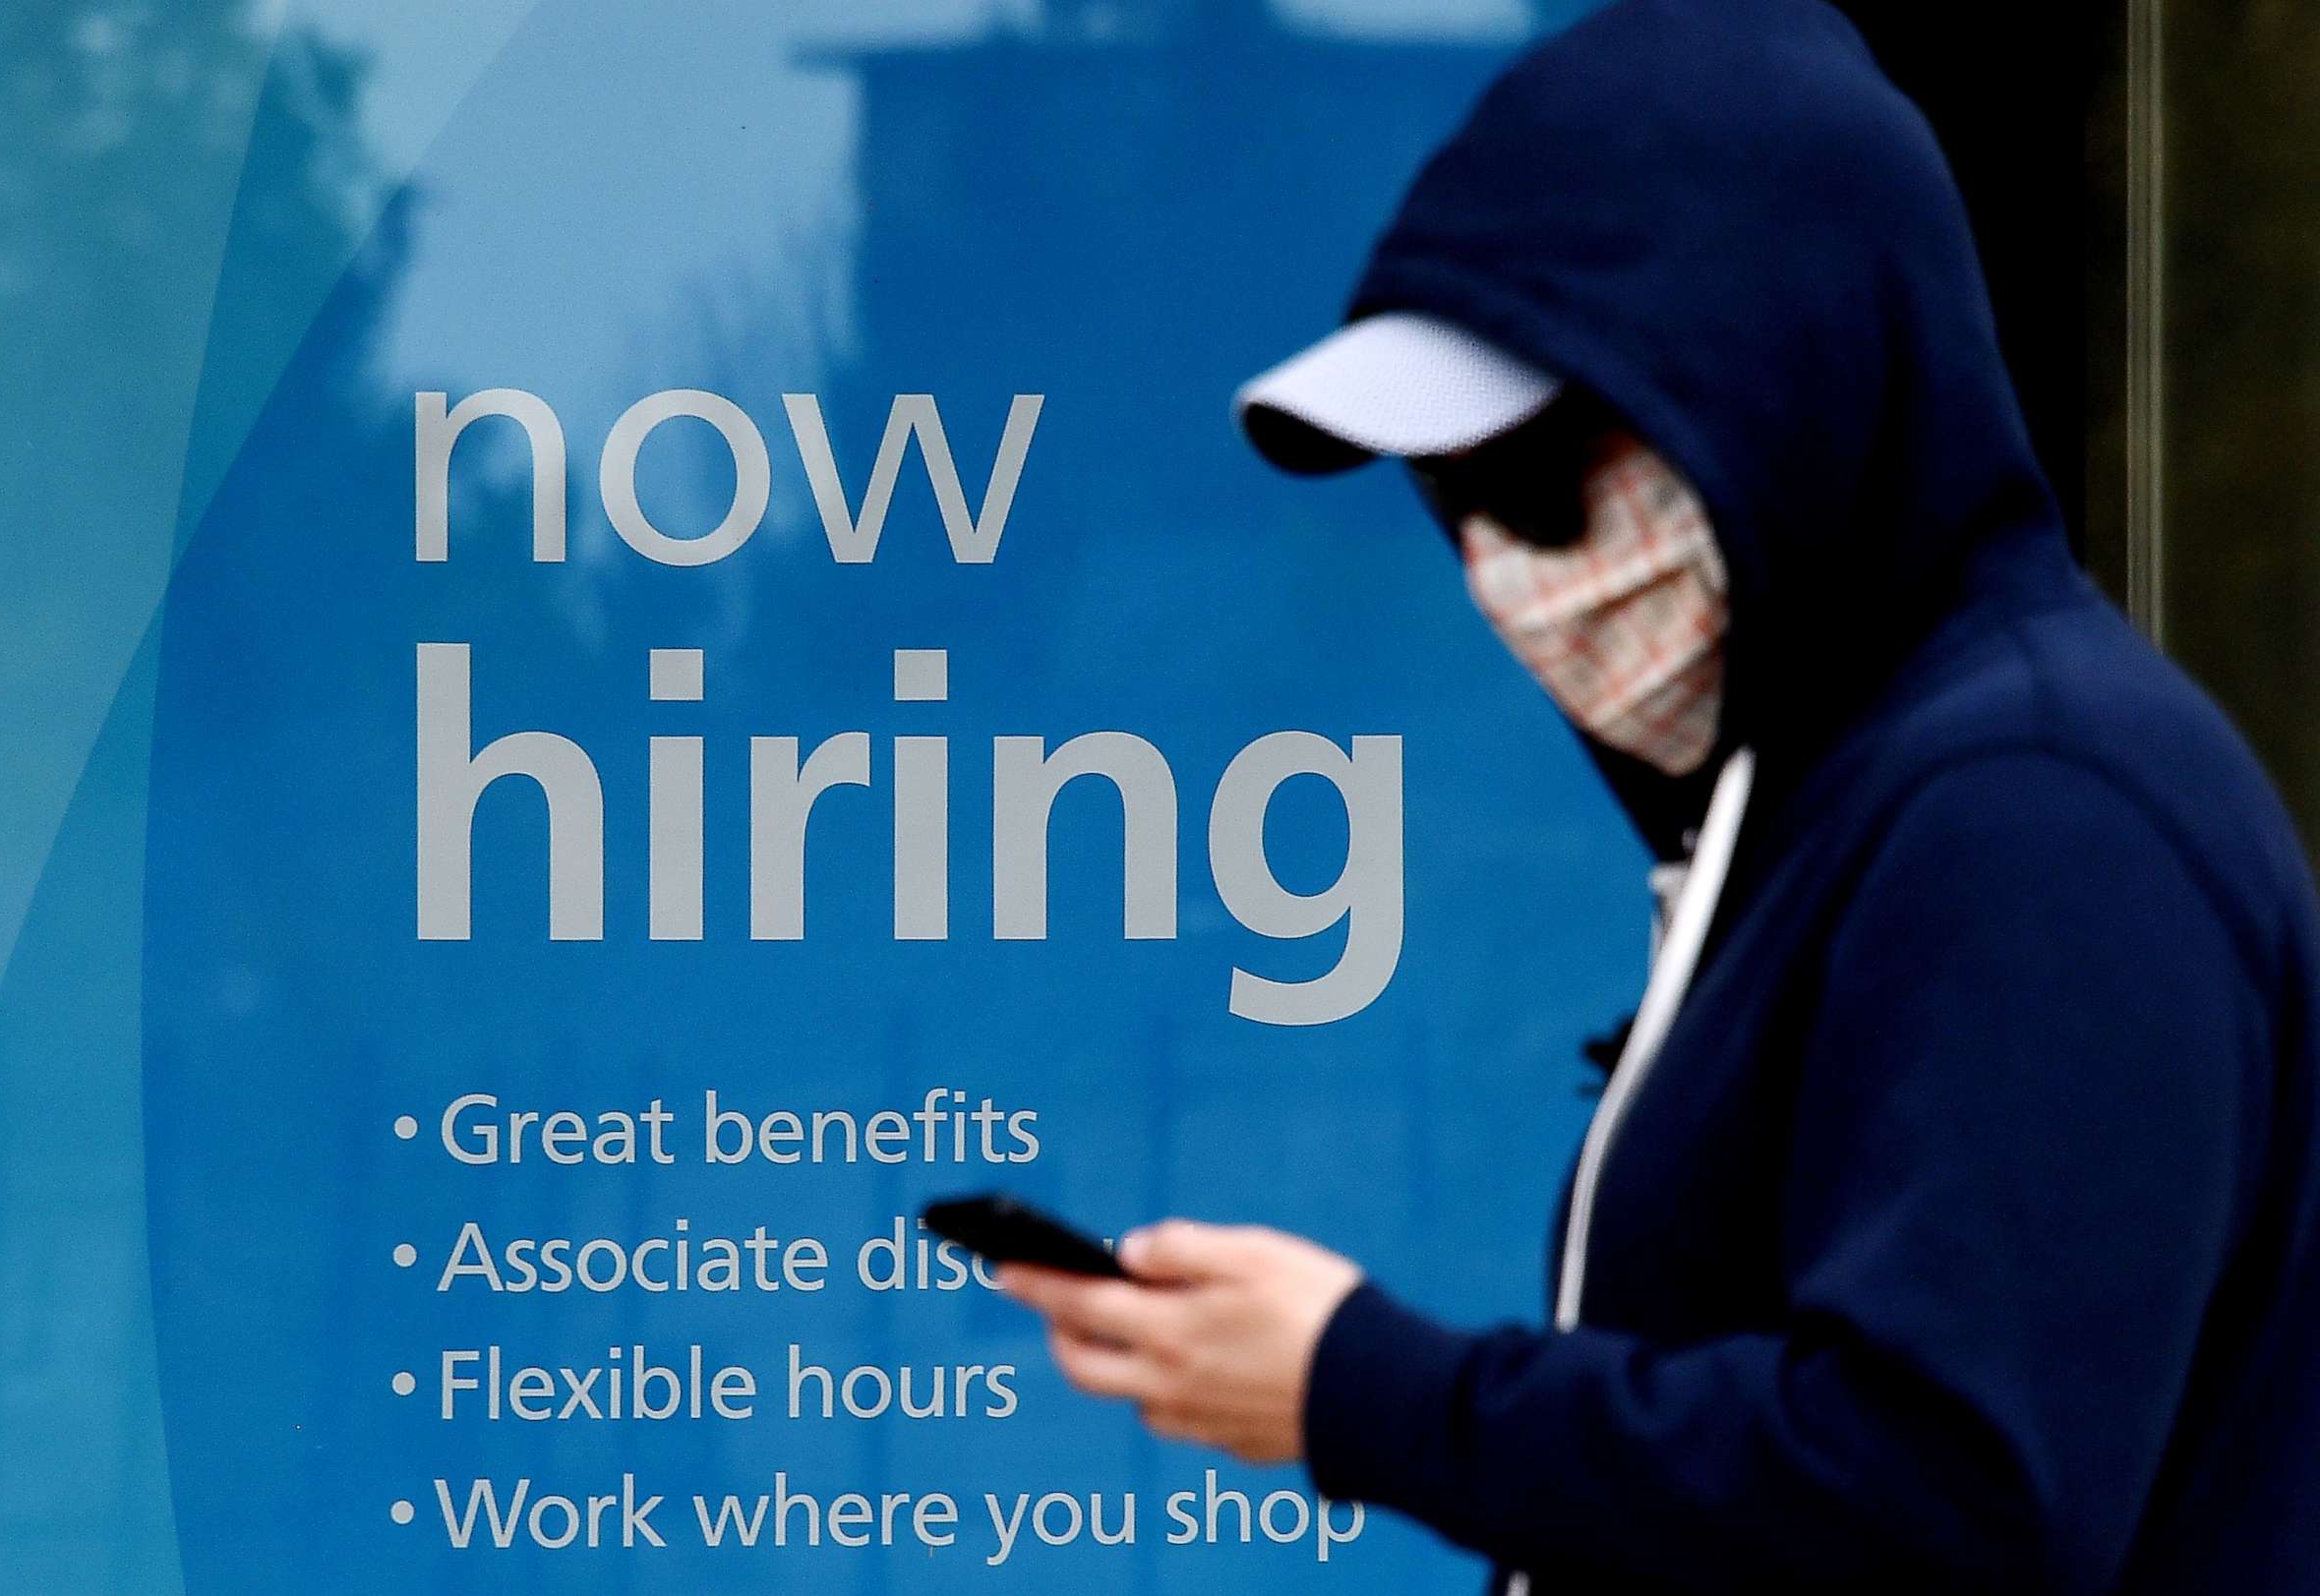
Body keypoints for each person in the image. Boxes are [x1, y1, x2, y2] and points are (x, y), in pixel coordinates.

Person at [994, 3, 2320, 1591]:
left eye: (1538, 481)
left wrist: (1365, 1391)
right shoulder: (1859, 800)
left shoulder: (2040, 818)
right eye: (1447, 503)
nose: (1503, 571)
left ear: (1791, 386)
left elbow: (1949, 1500)